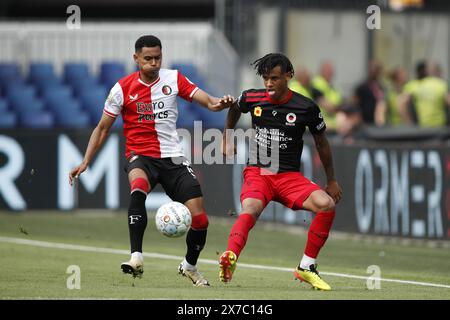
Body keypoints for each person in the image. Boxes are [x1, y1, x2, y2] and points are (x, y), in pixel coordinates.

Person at [68, 35, 234, 287]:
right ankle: (136, 257)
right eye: (147, 59)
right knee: (138, 189)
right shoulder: (121, 89)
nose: (153, 63)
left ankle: (190, 266)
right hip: (140, 156)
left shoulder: (174, 79)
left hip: (172, 157)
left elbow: (210, 103)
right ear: (136, 59)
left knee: (200, 219)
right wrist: (86, 161)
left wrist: (222, 103)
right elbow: (102, 128)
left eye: (157, 58)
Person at [219, 53, 342, 291]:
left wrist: (332, 180)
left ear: (289, 76)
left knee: (326, 204)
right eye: (265, 78)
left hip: (289, 177)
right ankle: (230, 257)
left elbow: (322, 144)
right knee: (251, 209)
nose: (268, 84)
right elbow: (235, 108)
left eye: (274, 78)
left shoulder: (306, 107)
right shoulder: (252, 97)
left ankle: (306, 266)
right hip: (259, 172)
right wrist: (227, 136)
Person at [399, 61, 450, 127]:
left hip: (422, 128)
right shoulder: (440, 84)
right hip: (440, 127)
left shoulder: (413, 85)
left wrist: (408, 122)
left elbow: (401, 104)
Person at [311, 61, 343, 131]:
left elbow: (340, 102)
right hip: (320, 124)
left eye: (331, 71)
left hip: (333, 124)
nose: (330, 73)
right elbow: (328, 106)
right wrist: (339, 108)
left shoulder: (332, 87)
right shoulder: (317, 83)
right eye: (328, 70)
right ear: (321, 71)